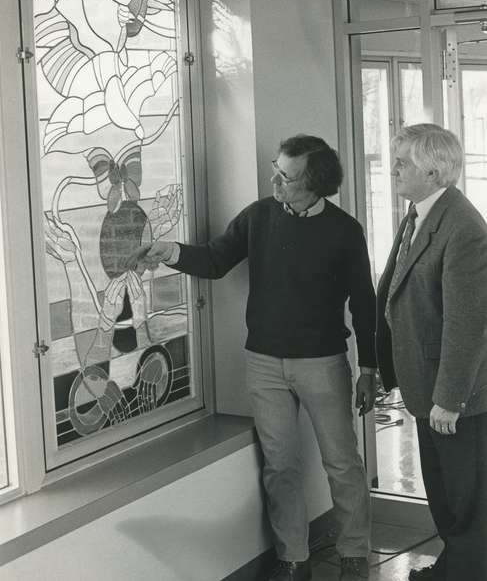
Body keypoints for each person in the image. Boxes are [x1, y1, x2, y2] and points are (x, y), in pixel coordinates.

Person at [128, 134, 377, 581]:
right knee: (280, 466)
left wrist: (369, 367)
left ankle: (354, 555)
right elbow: (216, 259)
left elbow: (364, 302)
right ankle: (294, 560)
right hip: (263, 362)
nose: (274, 179)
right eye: (275, 168)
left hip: (322, 363)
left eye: (286, 175)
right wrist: (170, 252)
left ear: (315, 183)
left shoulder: (344, 231)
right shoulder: (259, 216)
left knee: (342, 462)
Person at [375, 123, 487, 581]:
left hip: (455, 397)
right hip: (428, 386)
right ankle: (454, 570)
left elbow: (468, 323)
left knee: (466, 500)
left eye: (403, 162)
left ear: (435, 172)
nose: (394, 169)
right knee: (444, 496)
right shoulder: (420, 212)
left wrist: (450, 398)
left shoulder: (463, 227)